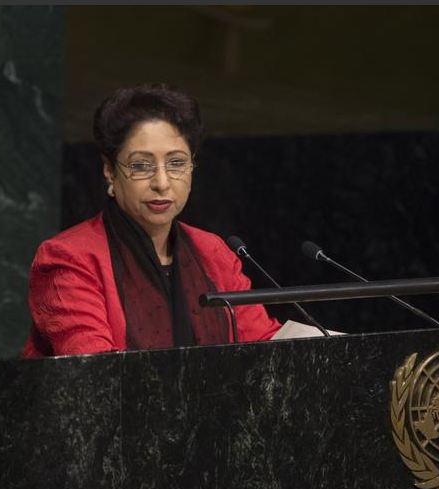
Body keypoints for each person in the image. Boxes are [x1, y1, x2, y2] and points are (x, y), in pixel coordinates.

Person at [23, 84, 281, 357]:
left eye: (176, 163)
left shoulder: (213, 252)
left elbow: (262, 345)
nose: (161, 182)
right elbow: (93, 372)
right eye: (141, 166)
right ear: (110, 171)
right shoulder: (69, 258)